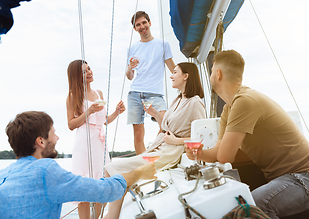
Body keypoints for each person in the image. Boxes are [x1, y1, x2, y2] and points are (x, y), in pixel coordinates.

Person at [185, 50, 309, 219]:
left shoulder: (245, 101)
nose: (209, 77)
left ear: (218, 73)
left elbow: (225, 156)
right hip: (284, 182)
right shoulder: (228, 109)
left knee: (251, 207)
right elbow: (218, 152)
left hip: (306, 180)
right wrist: (199, 153)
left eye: (211, 72)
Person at [0, 111, 156, 219]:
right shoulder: (45, 170)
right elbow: (102, 191)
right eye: (53, 133)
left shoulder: (3, 175)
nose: (57, 138)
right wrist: (138, 173)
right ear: (40, 141)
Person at [104, 62, 205, 219]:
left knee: (110, 169)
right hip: (159, 147)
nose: (171, 75)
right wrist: (154, 113)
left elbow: (201, 137)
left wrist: (176, 141)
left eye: (175, 72)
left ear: (186, 76)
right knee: (115, 174)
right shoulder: (178, 100)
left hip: (169, 153)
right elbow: (167, 124)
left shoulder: (195, 102)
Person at [66, 60, 126, 219]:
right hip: (84, 143)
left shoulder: (99, 93)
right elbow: (71, 124)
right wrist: (89, 111)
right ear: (76, 77)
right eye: (84, 72)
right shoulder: (73, 95)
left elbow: (104, 120)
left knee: (102, 184)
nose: (89, 72)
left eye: (89, 68)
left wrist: (117, 112)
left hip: (100, 142)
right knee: (83, 186)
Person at [126, 10, 176, 155]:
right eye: (138, 25)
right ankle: (142, 164)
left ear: (149, 23)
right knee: (138, 133)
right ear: (135, 29)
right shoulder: (132, 48)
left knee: (165, 124)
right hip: (135, 93)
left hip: (155, 93)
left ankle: (152, 153)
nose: (142, 26)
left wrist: (186, 80)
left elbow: (173, 68)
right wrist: (130, 68)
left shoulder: (163, 44)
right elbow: (129, 76)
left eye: (144, 22)